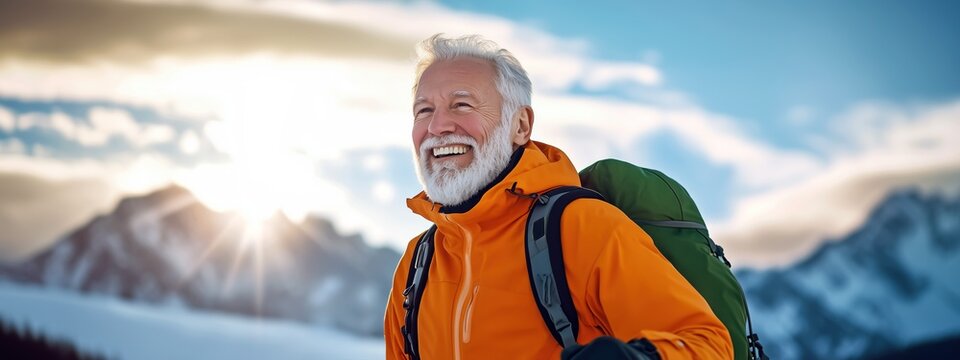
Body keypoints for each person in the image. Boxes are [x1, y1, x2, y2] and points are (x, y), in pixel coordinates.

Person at [384, 34, 733, 360]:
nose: (437, 126)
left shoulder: (580, 227)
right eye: (423, 111)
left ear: (520, 126)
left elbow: (708, 343)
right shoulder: (418, 261)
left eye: (461, 104)